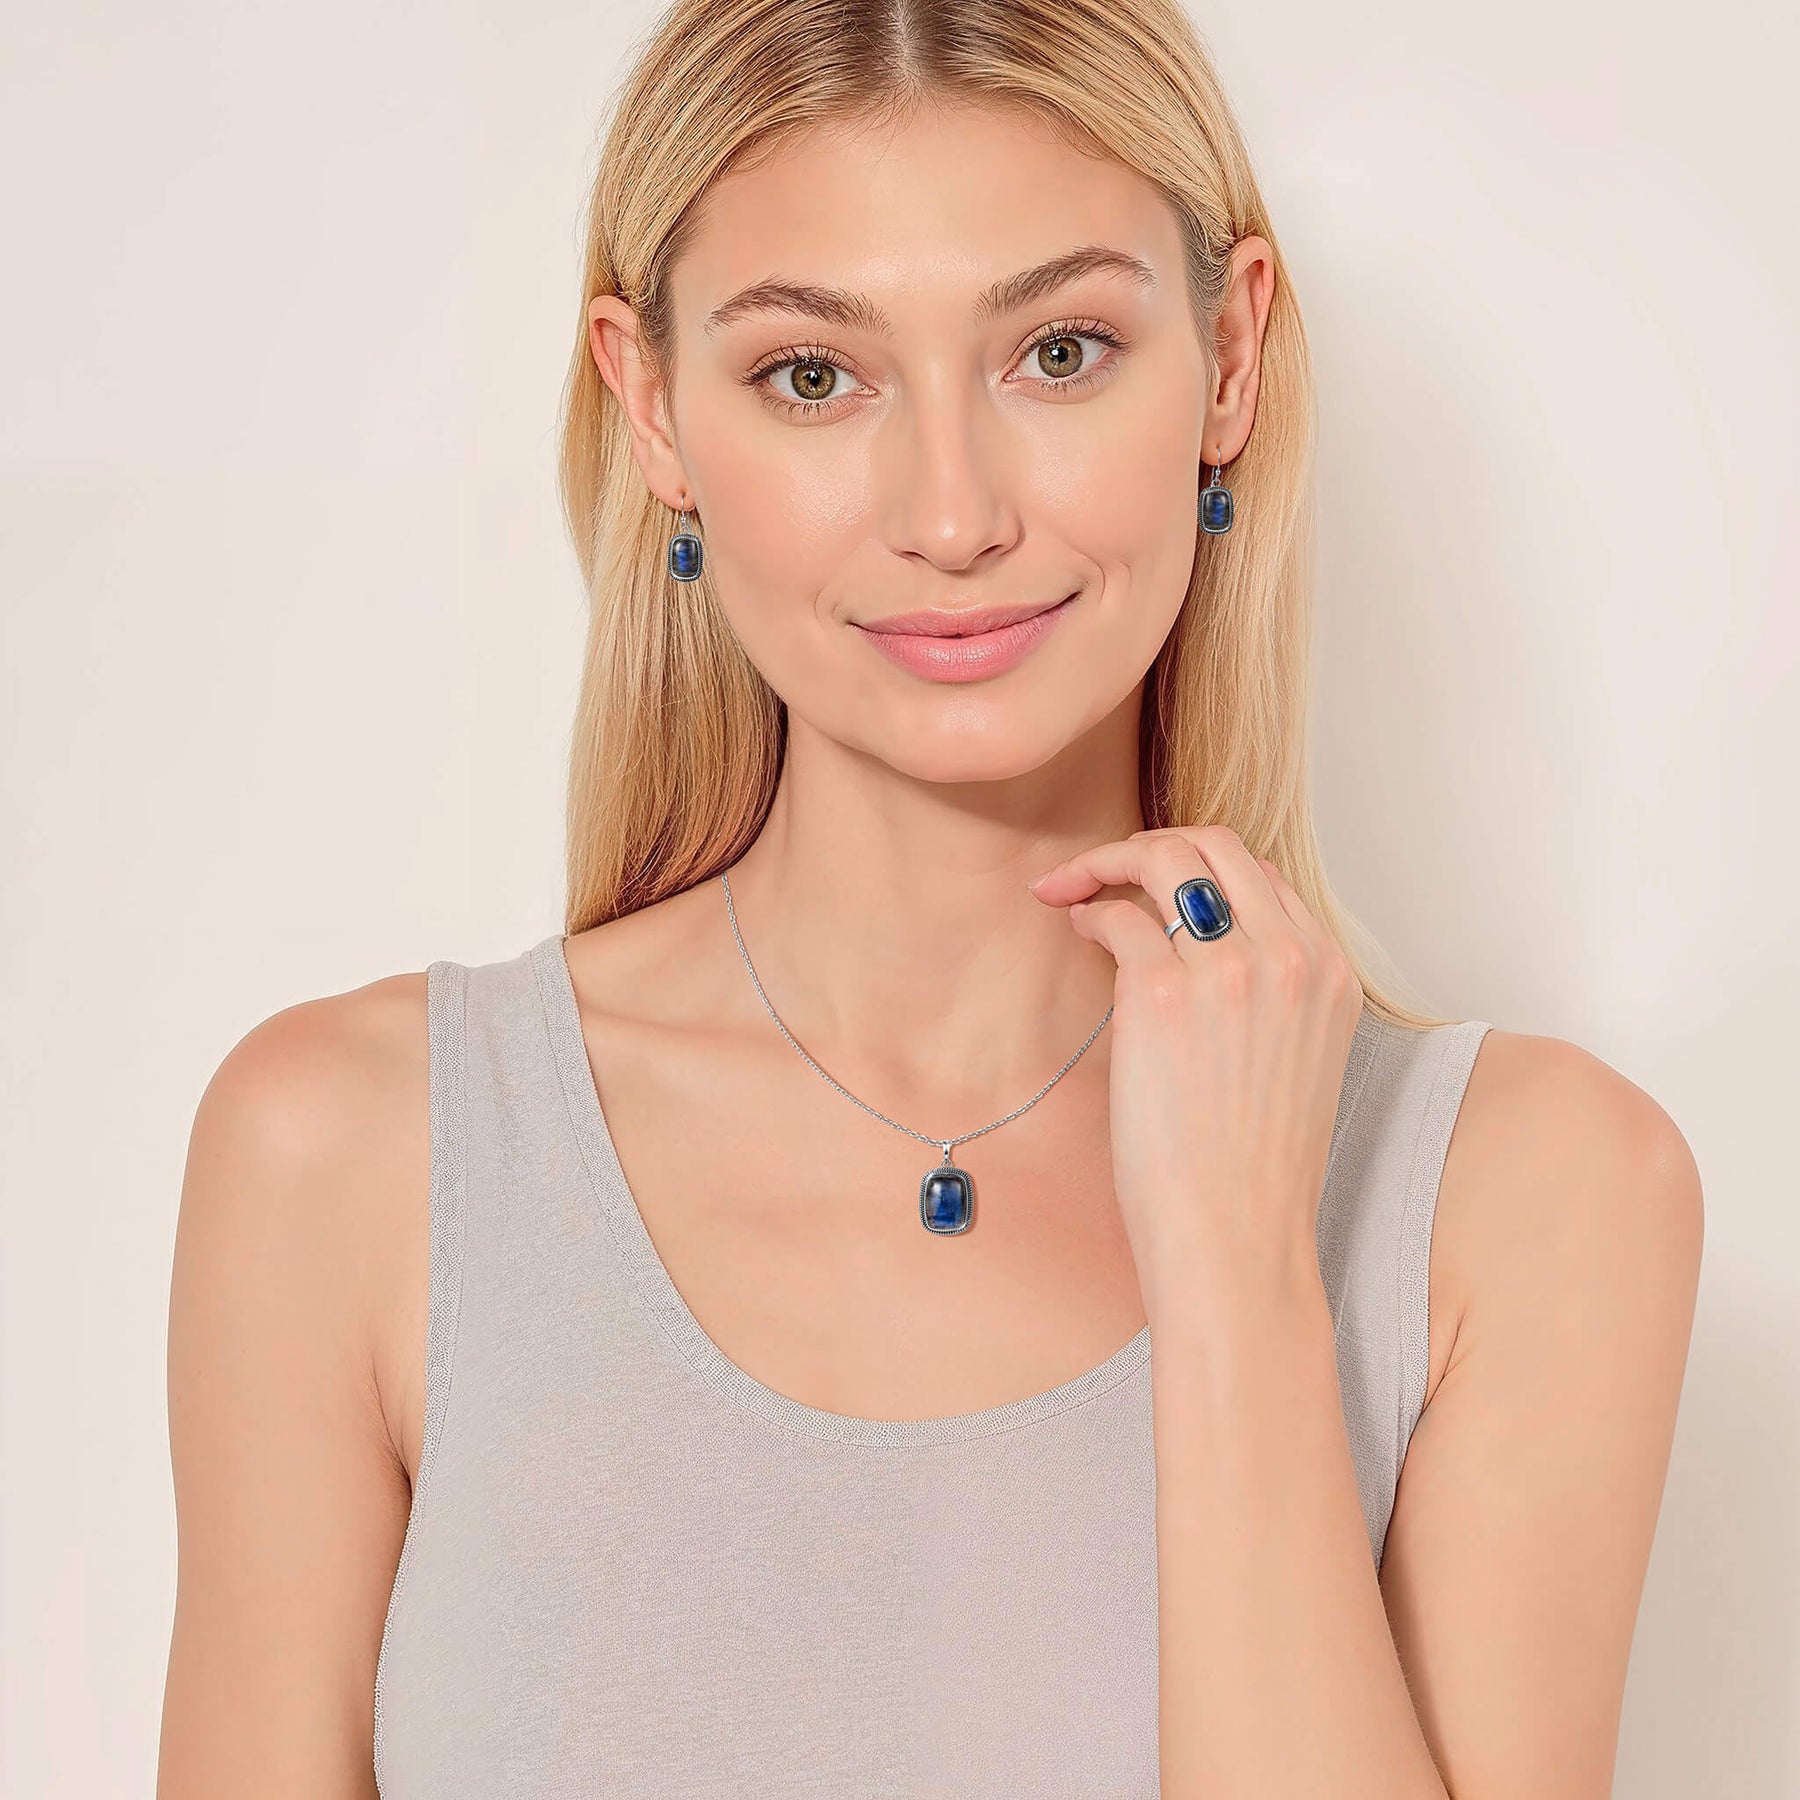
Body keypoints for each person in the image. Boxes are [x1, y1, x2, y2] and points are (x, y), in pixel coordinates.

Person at [156, 0, 1704, 1793]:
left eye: (1059, 351)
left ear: (1230, 358)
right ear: (652, 410)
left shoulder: (1529, 1201)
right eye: (814, 377)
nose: (953, 515)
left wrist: (1237, 1276)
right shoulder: (357, 1162)